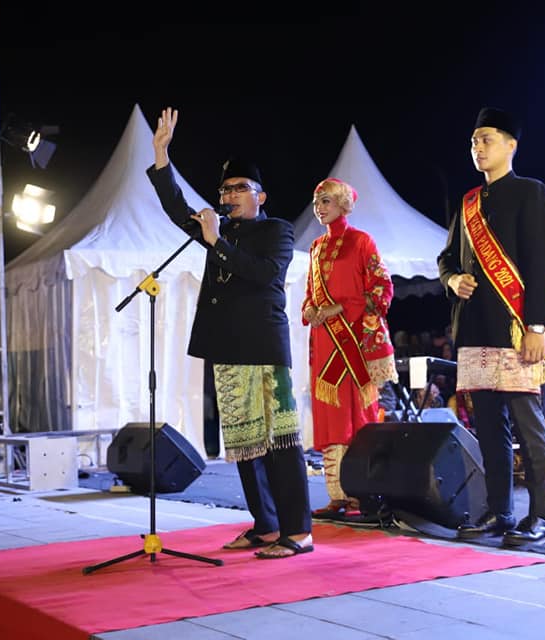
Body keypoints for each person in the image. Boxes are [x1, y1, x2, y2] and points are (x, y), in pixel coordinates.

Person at [146, 107, 313, 559]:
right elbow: (175, 208)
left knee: (279, 440)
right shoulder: (216, 229)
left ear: (261, 196)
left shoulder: (277, 230)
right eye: (225, 189)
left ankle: (298, 530)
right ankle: (266, 524)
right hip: (228, 347)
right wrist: (162, 155)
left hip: (263, 346)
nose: (230, 195)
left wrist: (216, 241)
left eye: (240, 188)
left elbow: (264, 274)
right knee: (243, 442)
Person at [437, 106, 545, 546]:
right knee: (489, 426)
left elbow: (543, 262)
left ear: (511, 145)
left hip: (515, 328)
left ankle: (542, 516)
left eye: (486, 139)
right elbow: (446, 258)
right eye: (474, 141)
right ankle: (500, 511)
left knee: (528, 423)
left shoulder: (531, 192)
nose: (478, 147)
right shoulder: (468, 203)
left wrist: (537, 326)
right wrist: (453, 280)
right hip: (474, 330)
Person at [301, 178, 397, 520]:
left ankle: (361, 492)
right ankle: (337, 495)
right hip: (325, 342)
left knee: (358, 417)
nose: (319, 207)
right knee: (329, 419)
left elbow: (381, 287)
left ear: (343, 204)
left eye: (326, 200)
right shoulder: (315, 247)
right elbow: (311, 293)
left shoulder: (361, 241)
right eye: (316, 201)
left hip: (353, 342)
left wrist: (341, 309)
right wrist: (310, 310)